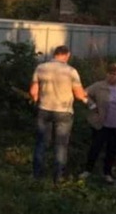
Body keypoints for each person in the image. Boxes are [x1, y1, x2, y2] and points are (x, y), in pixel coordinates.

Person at [30, 45, 88, 183]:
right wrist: (86, 97)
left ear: (54, 54)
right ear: (66, 55)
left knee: (41, 143)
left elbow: (33, 92)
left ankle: (36, 175)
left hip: (44, 109)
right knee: (61, 145)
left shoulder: (41, 68)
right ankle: (58, 177)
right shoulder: (71, 71)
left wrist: (35, 101)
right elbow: (79, 95)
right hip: (64, 112)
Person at [78, 63, 116, 183]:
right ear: (106, 74)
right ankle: (88, 170)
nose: (113, 76)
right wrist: (91, 104)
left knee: (112, 149)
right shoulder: (98, 86)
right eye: (111, 74)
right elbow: (82, 94)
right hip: (101, 123)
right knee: (95, 147)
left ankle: (108, 172)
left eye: (115, 74)